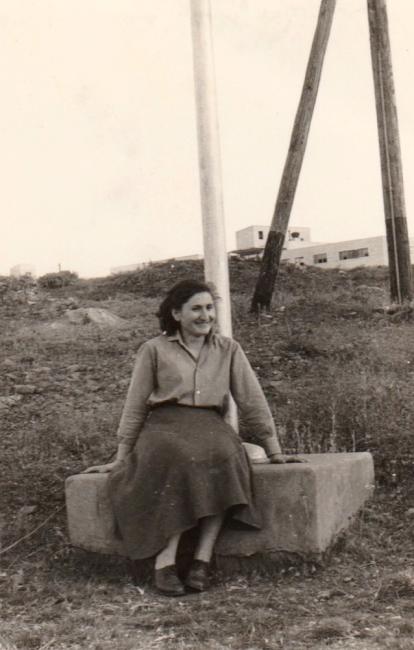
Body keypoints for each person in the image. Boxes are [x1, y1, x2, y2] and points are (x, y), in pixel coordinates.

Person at [85, 279, 300, 596]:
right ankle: (165, 560)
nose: (205, 315)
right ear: (176, 313)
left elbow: (252, 400)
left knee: (226, 457)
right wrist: (121, 456)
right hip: (164, 425)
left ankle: (201, 560)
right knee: (181, 458)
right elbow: (134, 406)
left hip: (210, 424)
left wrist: (274, 449)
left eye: (209, 308)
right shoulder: (154, 350)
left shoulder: (228, 349)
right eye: (196, 308)